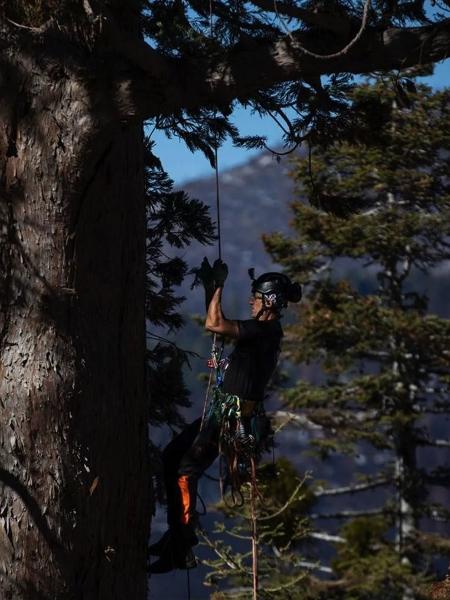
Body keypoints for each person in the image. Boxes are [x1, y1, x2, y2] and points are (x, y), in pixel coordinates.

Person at [149, 259, 302, 574]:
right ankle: (177, 536)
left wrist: (217, 285)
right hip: (223, 416)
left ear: (269, 302)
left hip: (226, 420)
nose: (251, 300)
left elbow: (214, 325)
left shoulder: (263, 332)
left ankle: (181, 545)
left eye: (256, 297)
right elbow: (217, 320)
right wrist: (211, 291)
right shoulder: (265, 331)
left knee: (183, 471)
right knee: (172, 457)